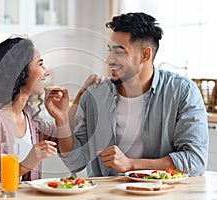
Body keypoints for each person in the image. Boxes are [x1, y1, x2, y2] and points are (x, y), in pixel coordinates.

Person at [58, 12, 208, 177]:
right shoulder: (96, 94)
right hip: (106, 194)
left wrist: (131, 164)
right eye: (110, 51)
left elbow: (195, 161)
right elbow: (75, 161)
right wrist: (62, 121)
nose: (109, 60)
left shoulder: (183, 92)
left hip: (161, 193)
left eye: (120, 52)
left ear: (145, 55)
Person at [0, 36, 101, 186]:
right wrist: (24, 166)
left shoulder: (29, 117)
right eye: (40, 64)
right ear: (20, 72)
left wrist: (64, 113)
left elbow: (65, 144)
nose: (46, 71)